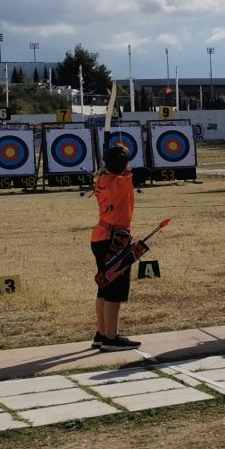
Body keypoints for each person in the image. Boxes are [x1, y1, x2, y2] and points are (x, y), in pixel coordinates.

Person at [90, 144, 141, 351]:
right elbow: (145, 173)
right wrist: (125, 170)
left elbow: (119, 171)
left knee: (104, 285)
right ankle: (111, 338)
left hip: (100, 237)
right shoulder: (124, 182)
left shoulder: (102, 180)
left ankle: (101, 334)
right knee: (115, 290)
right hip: (115, 241)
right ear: (125, 165)